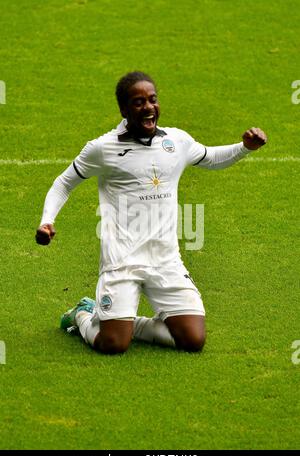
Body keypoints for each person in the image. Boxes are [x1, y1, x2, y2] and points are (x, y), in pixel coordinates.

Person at [36, 71, 267, 355]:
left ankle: (122, 321)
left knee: (193, 340)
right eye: (138, 102)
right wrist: (47, 221)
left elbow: (210, 158)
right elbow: (64, 183)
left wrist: (245, 147)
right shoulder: (103, 148)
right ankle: (83, 314)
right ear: (123, 109)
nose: (148, 107)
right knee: (113, 344)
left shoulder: (176, 142)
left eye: (153, 100)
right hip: (122, 261)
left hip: (165, 260)